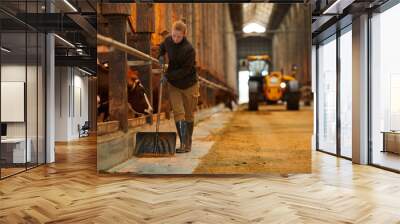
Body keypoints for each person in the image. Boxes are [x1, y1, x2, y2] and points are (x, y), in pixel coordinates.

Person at [158, 20, 199, 153]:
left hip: (189, 84)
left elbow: (185, 71)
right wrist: (160, 56)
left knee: (188, 115)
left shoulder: (189, 50)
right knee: (178, 112)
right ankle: (182, 143)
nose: (175, 39)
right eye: (174, 35)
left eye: (179, 36)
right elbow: (163, 46)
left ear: (184, 35)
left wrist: (167, 77)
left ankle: (188, 142)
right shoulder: (168, 40)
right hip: (174, 85)